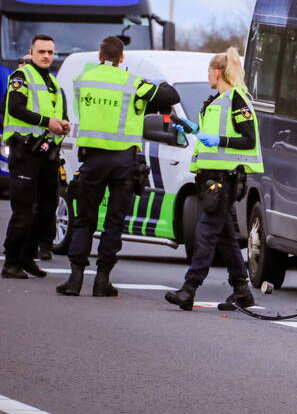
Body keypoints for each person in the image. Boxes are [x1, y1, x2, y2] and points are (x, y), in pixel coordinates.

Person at [56, 36, 179, 296]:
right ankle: (102, 281)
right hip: (123, 163)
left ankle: (75, 279)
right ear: (121, 57)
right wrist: (159, 85)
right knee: (113, 223)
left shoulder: (83, 80)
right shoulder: (133, 83)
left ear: (100, 56)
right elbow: (171, 96)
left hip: (92, 160)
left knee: (84, 221)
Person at [165, 47, 262, 311]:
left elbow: (248, 139)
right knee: (226, 238)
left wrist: (218, 140)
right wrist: (193, 129)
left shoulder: (237, 100)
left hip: (224, 180)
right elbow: (210, 135)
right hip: (212, 178)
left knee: (206, 233)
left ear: (217, 72)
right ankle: (242, 291)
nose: (207, 74)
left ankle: (189, 288)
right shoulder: (216, 101)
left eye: (209, 70)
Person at [2, 35, 70, 279]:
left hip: (47, 153)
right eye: (41, 51)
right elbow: (15, 109)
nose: (46, 56)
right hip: (24, 152)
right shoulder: (21, 77)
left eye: (50, 52)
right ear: (31, 52)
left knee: (48, 207)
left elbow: (57, 113)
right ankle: (11, 262)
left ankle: (27, 256)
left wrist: (62, 125)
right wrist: (46, 122)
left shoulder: (53, 82)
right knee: (24, 210)